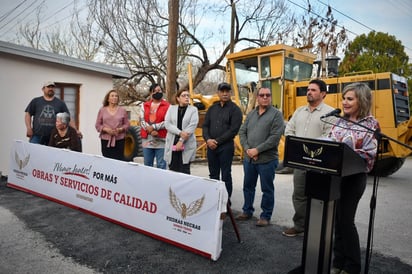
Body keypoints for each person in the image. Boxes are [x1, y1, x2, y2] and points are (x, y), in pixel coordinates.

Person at [328, 83, 379, 274]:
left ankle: (353, 266)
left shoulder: (370, 124)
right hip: (336, 176)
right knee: (337, 221)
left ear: (362, 100)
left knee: (346, 220)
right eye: (344, 98)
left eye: (350, 99)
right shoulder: (339, 121)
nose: (344, 102)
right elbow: (330, 142)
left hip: (354, 178)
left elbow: (370, 153)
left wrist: (345, 153)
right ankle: (338, 261)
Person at [282, 79, 336, 237]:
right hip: (299, 163)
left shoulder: (330, 113)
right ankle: (299, 225)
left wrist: (310, 150)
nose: (309, 92)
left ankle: (317, 230)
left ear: (323, 93)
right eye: (308, 89)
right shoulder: (299, 111)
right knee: (299, 195)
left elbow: (329, 137)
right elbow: (289, 130)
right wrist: (298, 148)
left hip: (319, 164)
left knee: (318, 198)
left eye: (313, 90)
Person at [236, 87, 284, 227]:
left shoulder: (276, 115)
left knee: (267, 189)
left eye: (268, 95)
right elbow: (242, 132)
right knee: (248, 186)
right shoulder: (251, 114)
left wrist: (257, 150)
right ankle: (247, 211)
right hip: (249, 159)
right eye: (262, 95)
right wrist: (247, 149)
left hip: (267, 160)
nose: (265, 97)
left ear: (270, 97)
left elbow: (275, 137)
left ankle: (265, 216)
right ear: (257, 97)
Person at [202, 82, 243, 197]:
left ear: (230, 93)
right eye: (222, 91)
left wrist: (217, 141)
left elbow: (233, 130)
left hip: (226, 147)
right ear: (218, 93)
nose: (225, 94)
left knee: (226, 175)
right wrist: (208, 140)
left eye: (227, 91)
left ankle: (226, 203)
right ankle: (214, 199)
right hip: (211, 147)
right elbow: (205, 126)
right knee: (213, 175)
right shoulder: (212, 109)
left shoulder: (235, 110)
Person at [25, 81, 80, 145]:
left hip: (53, 138)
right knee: (33, 153)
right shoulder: (36, 101)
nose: (51, 89)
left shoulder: (60, 103)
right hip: (37, 136)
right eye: (48, 87)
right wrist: (29, 128)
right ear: (43, 89)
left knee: (51, 155)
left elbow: (68, 118)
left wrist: (76, 130)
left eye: (52, 87)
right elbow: (28, 114)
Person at [164, 90, 199, 174]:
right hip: (172, 142)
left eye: (188, 95)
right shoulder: (171, 109)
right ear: (178, 98)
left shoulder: (193, 110)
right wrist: (180, 132)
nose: (186, 97)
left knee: (184, 169)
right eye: (183, 95)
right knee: (172, 169)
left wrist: (181, 140)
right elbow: (167, 124)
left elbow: (192, 125)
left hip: (186, 143)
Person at [140, 83, 170, 169]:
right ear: (151, 93)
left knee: (161, 165)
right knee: (147, 165)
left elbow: (168, 121)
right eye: (155, 91)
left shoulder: (168, 106)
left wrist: (154, 127)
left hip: (161, 139)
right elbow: (142, 120)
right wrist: (149, 129)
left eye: (159, 90)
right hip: (147, 139)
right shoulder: (144, 105)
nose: (157, 92)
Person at [95, 89, 130, 161]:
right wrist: (106, 129)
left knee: (119, 160)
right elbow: (98, 125)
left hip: (119, 139)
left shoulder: (122, 110)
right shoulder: (102, 110)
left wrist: (120, 129)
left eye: (116, 96)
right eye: (112, 96)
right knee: (107, 160)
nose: (114, 97)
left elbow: (127, 124)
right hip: (106, 140)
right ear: (108, 99)